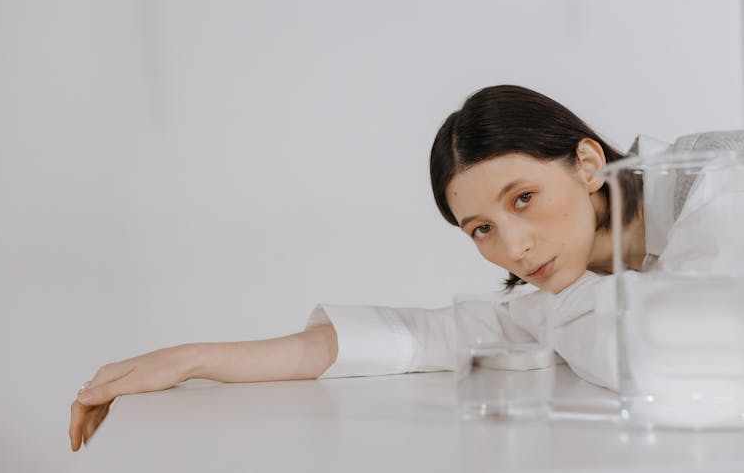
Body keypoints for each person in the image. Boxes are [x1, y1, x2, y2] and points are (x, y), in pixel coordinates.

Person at [69, 85, 744, 451]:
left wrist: (553, 312)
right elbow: (422, 336)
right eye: (482, 229)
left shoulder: (720, 185)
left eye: (525, 199)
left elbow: (683, 365)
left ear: (589, 164)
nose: (513, 247)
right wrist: (189, 359)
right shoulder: (573, 282)